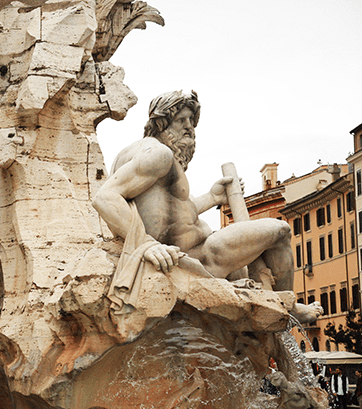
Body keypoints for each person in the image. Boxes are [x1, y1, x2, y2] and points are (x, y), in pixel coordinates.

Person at [93, 90, 321, 324]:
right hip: (201, 254)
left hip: (198, 247)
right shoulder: (158, 155)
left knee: (247, 269)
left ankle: (272, 306)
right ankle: (289, 307)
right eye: (182, 120)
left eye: (192, 121)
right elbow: (105, 198)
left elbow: (170, 216)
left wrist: (212, 198)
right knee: (279, 230)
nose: (189, 127)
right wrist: (146, 245)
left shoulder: (143, 152)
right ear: (162, 123)